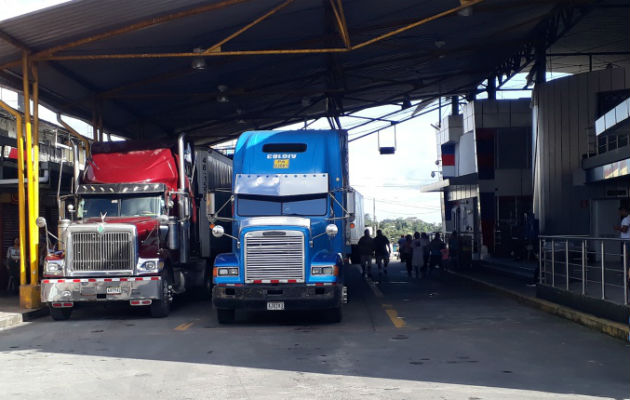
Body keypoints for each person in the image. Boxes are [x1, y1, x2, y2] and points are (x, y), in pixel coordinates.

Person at [614, 207, 630, 275]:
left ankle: (626, 273)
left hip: (627, 241)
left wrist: (617, 228)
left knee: (626, 258)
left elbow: (624, 230)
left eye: (620, 212)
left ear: (623, 211)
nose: (619, 213)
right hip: (628, 240)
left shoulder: (626, 219)